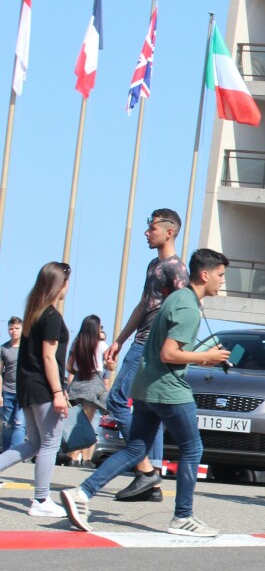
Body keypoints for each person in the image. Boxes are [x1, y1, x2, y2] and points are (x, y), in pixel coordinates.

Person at [62, 250, 233, 536]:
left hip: (145, 386)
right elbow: (169, 353)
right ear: (205, 274)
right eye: (220, 275)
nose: (222, 282)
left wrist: (205, 354)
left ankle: (82, 493)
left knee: (136, 448)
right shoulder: (189, 307)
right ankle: (183, 517)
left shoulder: (175, 299)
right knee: (192, 448)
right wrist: (205, 358)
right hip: (168, 390)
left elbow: (165, 348)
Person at [103, 208, 188, 502]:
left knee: (115, 399)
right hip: (138, 341)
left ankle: (145, 469)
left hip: (151, 346)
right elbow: (143, 305)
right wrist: (119, 339)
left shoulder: (176, 269)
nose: (147, 232)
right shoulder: (154, 265)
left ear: (169, 232)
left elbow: (182, 311)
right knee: (148, 410)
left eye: (152, 227)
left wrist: (171, 350)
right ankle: (152, 481)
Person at [0, 263, 71, 516]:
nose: (68, 286)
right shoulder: (51, 316)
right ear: (58, 284)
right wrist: (58, 393)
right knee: (49, 443)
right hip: (44, 388)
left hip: (27, 387)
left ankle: (41, 499)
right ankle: (41, 500)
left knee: (33, 443)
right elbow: (49, 358)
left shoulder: (32, 314)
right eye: (66, 281)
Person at [64, 314, 113, 466]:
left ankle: (73, 457)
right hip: (93, 384)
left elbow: (68, 367)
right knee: (88, 424)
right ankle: (83, 459)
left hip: (78, 383)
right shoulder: (102, 345)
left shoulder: (76, 343)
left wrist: (77, 371)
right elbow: (110, 366)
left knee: (77, 423)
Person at [1, 316, 25, 452]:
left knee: (19, 423)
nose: (13, 331)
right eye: (11, 328)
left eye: (16, 328)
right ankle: (6, 454)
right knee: (7, 425)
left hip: (23, 392)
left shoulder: (27, 348)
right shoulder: (4, 349)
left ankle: (16, 454)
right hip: (7, 391)